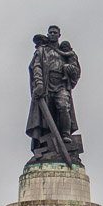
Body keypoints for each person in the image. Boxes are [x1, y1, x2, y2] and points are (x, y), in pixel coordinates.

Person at [26, 25, 81, 158]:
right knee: (46, 116)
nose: (52, 34)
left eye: (54, 32)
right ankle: (45, 143)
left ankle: (65, 135)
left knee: (63, 107)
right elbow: (36, 66)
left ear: (59, 35)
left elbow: (76, 70)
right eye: (50, 32)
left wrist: (70, 68)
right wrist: (38, 83)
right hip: (45, 86)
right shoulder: (42, 50)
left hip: (61, 84)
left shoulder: (65, 52)